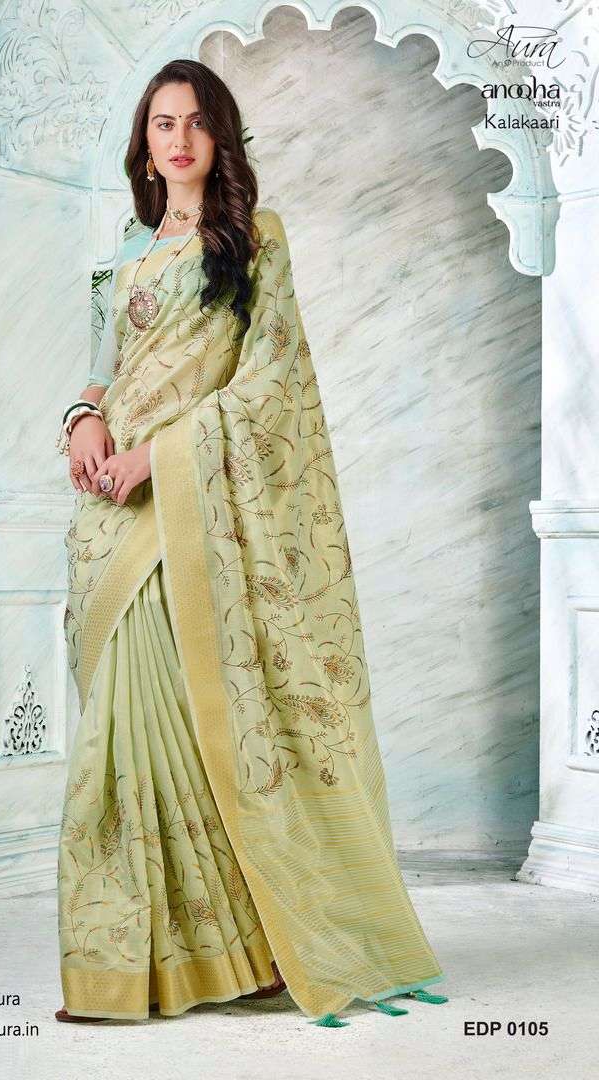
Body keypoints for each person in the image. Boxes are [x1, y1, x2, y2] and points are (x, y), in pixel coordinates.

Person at [55, 59, 447, 1026]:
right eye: (162, 124)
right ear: (145, 148)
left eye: (196, 121)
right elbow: (98, 371)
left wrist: (159, 457)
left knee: (192, 728)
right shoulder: (122, 255)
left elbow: (272, 384)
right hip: (109, 519)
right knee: (120, 734)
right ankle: (129, 961)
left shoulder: (254, 241)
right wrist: (82, 421)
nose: (179, 138)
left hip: (187, 508)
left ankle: (246, 950)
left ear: (220, 138)